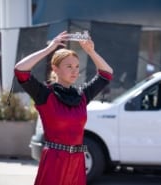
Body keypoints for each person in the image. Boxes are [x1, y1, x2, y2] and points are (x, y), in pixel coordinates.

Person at [14, 31, 113, 185]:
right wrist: (49, 49)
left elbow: (106, 74)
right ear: (55, 68)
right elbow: (20, 70)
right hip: (54, 161)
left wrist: (91, 51)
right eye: (69, 66)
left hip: (77, 162)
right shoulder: (45, 94)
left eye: (77, 66)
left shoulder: (82, 95)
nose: (75, 71)